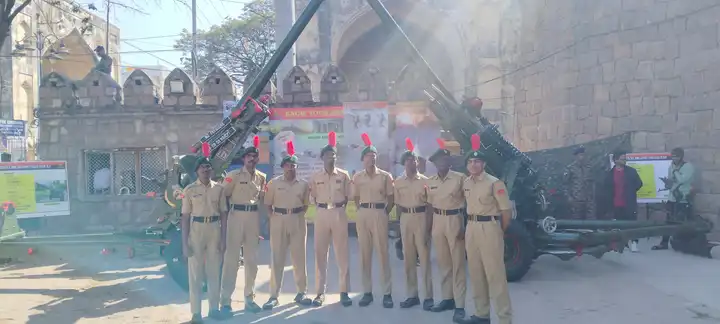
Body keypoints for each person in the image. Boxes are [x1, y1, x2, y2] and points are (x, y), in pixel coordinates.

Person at [459, 133, 513, 324]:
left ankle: (504, 318)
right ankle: (482, 314)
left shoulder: (494, 183)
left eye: (478, 161)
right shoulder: (466, 183)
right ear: (467, 165)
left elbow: (506, 212)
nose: (474, 164)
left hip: (489, 227)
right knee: (476, 273)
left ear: (483, 164)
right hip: (472, 228)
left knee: (495, 275)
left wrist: (500, 231)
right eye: (471, 161)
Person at [263, 140, 312, 310]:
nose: (290, 168)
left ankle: (301, 292)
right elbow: (267, 204)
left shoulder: (304, 185)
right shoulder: (273, 184)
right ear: (283, 167)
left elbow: (306, 205)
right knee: (277, 258)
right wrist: (273, 219)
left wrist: (296, 215)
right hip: (279, 219)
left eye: (293, 165)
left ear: (296, 167)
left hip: (297, 219)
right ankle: (273, 295)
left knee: (299, 258)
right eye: (288, 165)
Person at [220, 136, 266, 314]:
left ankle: (249, 298)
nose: (252, 159)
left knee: (252, 261)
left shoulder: (262, 177)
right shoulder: (233, 176)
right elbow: (223, 196)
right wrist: (224, 221)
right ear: (243, 159)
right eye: (249, 157)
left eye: (254, 157)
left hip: (253, 219)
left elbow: (261, 200)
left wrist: (261, 223)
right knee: (231, 260)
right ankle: (225, 301)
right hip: (235, 216)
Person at [181, 157, 228, 324]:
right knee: (195, 273)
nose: (206, 170)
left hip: (214, 229)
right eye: (202, 168)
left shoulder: (219, 189)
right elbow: (185, 217)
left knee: (214, 271)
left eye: (208, 167)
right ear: (197, 171)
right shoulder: (189, 190)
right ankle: (196, 313)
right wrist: (185, 243)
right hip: (197, 230)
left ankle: (214, 309)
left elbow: (224, 215)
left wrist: (224, 239)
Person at [308, 131, 353, 307]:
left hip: (339, 213)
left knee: (342, 253)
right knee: (320, 254)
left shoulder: (343, 175)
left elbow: (348, 196)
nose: (331, 157)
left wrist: (338, 206)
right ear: (322, 157)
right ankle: (319, 292)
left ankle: (344, 291)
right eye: (327, 155)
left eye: (333, 154)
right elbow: (312, 196)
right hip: (321, 214)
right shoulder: (316, 177)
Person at [352, 133, 395, 308]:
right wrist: (361, 210)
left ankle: (387, 293)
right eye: (369, 156)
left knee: (383, 254)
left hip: (379, 213)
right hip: (363, 214)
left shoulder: (385, 176)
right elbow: (355, 197)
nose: (372, 159)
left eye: (374, 156)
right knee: (365, 255)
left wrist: (385, 212)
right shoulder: (358, 177)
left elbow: (391, 198)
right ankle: (367, 292)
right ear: (363, 159)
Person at [427, 138, 467, 322]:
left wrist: (464, 226)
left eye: (445, 160)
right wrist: (428, 229)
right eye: (438, 161)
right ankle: (447, 298)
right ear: (434, 164)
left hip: (454, 220)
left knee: (458, 264)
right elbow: (429, 206)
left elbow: (469, 203)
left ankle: (460, 305)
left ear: (449, 162)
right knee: (443, 263)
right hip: (438, 221)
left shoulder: (460, 178)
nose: (442, 163)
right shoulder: (431, 181)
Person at [394, 138, 434, 310]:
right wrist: (398, 228)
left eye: (415, 159)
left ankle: (428, 296)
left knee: (424, 258)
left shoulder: (426, 181)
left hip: (421, 217)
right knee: (408, 259)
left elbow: (431, 205)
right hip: (405, 219)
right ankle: (412, 295)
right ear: (404, 163)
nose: (412, 162)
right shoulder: (398, 181)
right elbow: (397, 205)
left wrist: (429, 228)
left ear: (418, 162)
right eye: (409, 160)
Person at [654, 147, 695, 250]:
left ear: (681, 157)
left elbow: (682, 180)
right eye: (672, 156)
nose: (674, 159)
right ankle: (664, 243)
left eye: (676, 157)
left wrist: (676, 171)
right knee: (668, 220)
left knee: (682, 222)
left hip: (683, 198)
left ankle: (684, 243)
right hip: (672, 197)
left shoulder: (687, 167)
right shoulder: (671, 166)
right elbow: (672, 179)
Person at [603, 151, 643, 252]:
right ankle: (620, 244)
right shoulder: (610, 174)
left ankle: (634, 243)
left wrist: (630, 192)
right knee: (618, 225)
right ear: (616, 160)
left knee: (632, 224)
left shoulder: (631, 172)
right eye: (622, 158)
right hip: (616, 204)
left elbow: (639, 184)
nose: (624, 160)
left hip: (629, 203)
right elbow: (607, 189)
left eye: (625, 158)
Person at [563, 146, 596, 219]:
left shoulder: (589, 167)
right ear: (576, 156)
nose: (583, 157)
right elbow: (565, 184)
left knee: (591, 219)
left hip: (588, 199)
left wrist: (592, 195)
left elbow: (592, 182)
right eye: (580, 155)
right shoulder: (570, 168)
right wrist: (569, 197)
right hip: (576, 199)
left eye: (584, 155)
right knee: (577, 219)